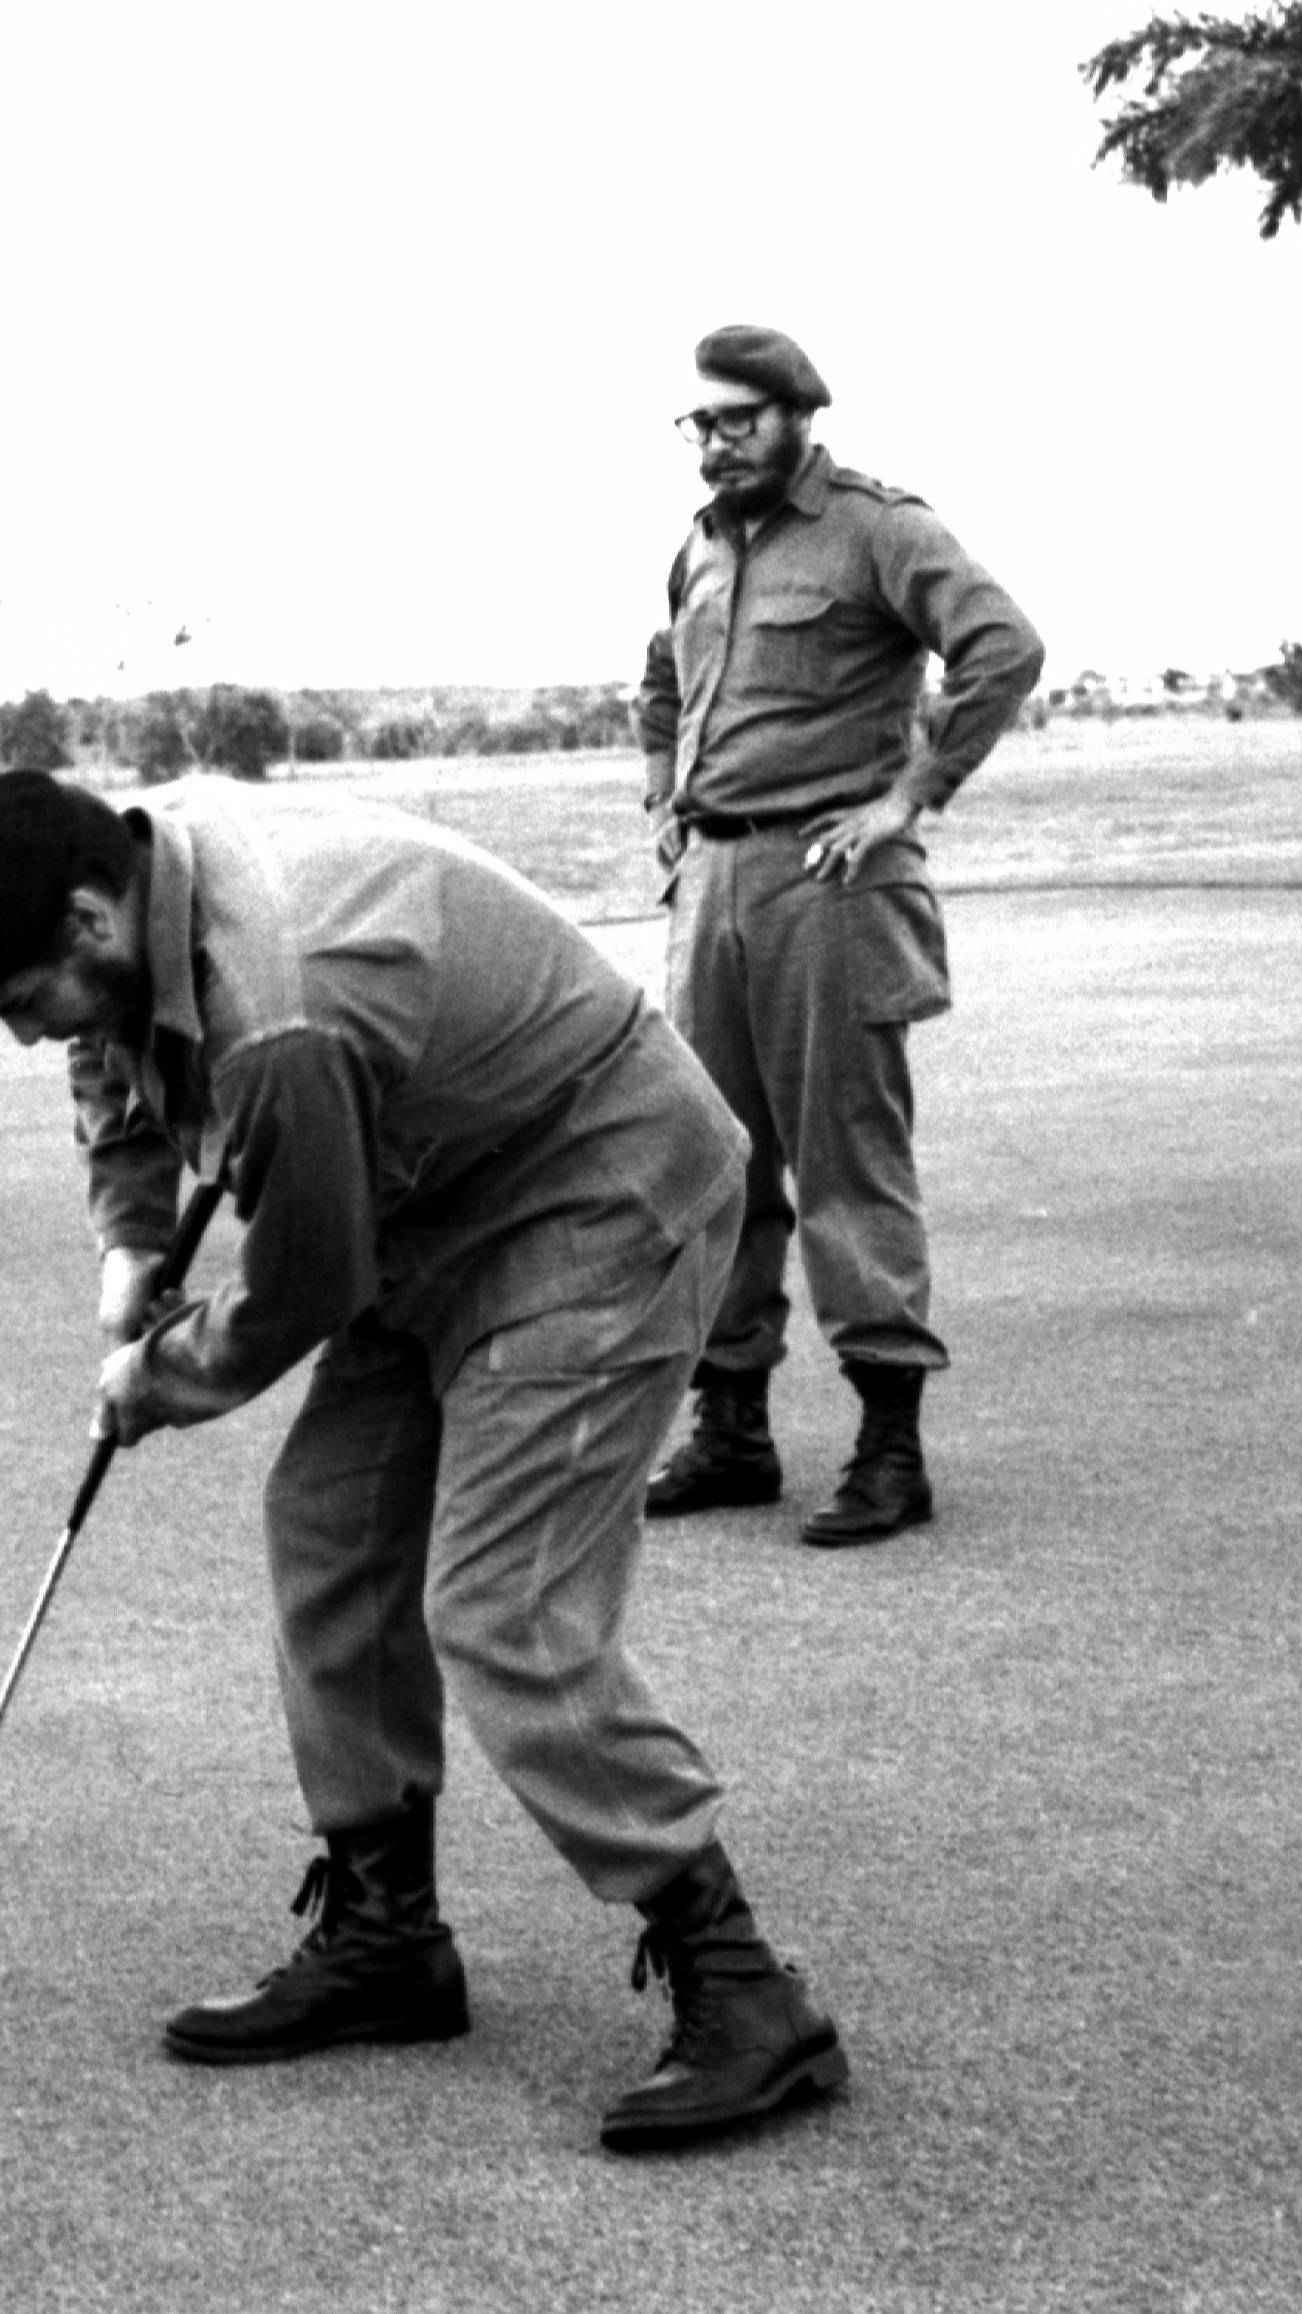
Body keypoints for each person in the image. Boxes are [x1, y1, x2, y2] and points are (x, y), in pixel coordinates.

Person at [0, 769, 849, 2153]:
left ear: (91, 918)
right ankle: (389, 1933)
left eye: (17, 997)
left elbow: (303, 1285)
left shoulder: (280, 1006)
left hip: (597, 1185)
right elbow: (112, 1056)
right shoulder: (118, 868)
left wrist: (152, 1376)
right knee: (327, 1521)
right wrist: (129, 1240)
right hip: (440, 1187)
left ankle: (746, 1985)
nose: (25, 1033)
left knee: (501, 1603)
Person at [639, 325, 1044, 1543]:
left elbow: (1002, 647)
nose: (715, 444)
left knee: (846, 1165)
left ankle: (888, 1445)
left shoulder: (876, 528)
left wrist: (904, 800)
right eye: (699, 425)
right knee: (712, 1162)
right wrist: (665, 800)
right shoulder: (700, 548)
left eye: (738, 421)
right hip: (711, 886)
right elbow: (662, 683)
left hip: (830, 887)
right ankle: (734, 1428)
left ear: (798, 416)